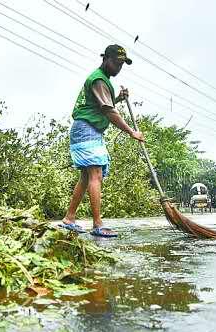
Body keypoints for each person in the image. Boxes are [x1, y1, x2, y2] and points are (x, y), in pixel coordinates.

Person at [61, 44, 144, 237]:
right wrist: (131, 131)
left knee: (86, 176)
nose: (118, 68)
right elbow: (108, 111)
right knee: (96, 174)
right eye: (116, 63)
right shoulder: (99, 79)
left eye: (122, 65)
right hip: (86, 130)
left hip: (89, 130)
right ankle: (97, 224)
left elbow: (102, 104)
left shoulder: (103, 80)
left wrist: (119, 99)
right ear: (105, 59)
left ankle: (69, 218)